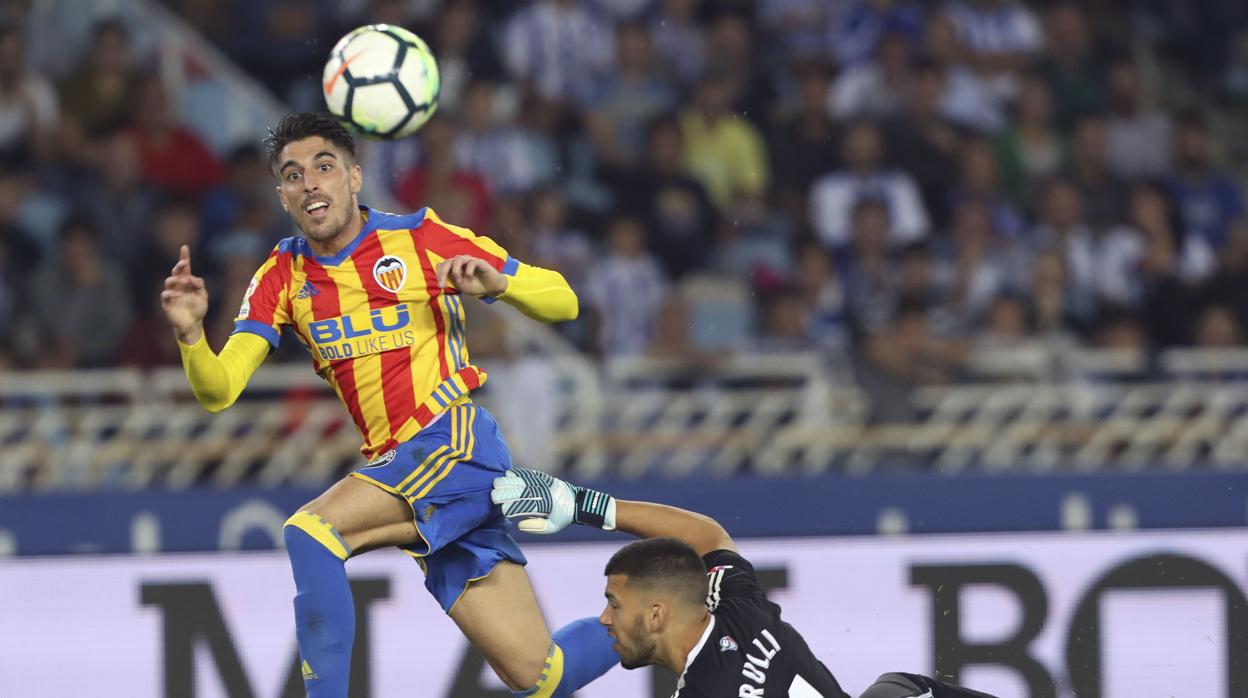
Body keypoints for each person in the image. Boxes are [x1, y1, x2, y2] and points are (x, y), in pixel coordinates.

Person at [159, 112, 617, 697]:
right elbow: (219, 389)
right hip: (402, 471)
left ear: (354, 177)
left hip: (452, 441)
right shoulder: (282, 276)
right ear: (282, 196)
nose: (310, 183)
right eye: (293, 175)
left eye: (324, 167)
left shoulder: (421, 238)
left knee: (311, 533)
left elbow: (566, 301)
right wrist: (192, 335)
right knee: (540, 674)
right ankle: (670, 623)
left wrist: (501, 285)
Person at [491, 467, 998, 698]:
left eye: (613, 604)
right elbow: (707, 536)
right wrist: (585, 505)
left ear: (657, 613)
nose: (604, 619)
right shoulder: (736, 608)